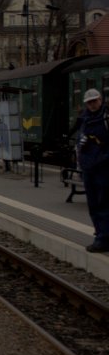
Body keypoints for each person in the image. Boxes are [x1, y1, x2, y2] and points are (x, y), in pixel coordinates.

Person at [76, 88, 109, 252]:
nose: (93, 104)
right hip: (88, 168)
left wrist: (103, 158)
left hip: (103, 168)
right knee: (94, 205)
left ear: (100, 100)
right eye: (89, 102)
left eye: (95, 101)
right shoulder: (85, 120)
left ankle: (103, 239)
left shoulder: (105, 119)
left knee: (103, 204)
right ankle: (100, 235)